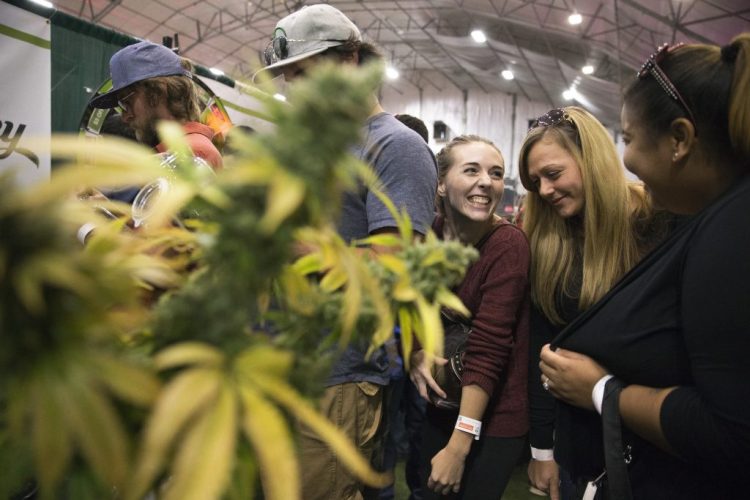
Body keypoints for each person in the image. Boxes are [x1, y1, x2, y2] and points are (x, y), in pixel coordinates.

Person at [537, 34, 750, 499]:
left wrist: (602, 390)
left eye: (629, 139)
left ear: (679, 140)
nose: (629, 162)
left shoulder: (731, 229)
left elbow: (732, 432)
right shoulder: (713, 219)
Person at [256, 5, 438, 499]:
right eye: (288, 77)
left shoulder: (395, 147)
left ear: (352, 59)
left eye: (303, 72)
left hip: (340, 376)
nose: (294, 88)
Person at [518, 106, 667, 500]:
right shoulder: (547, 246)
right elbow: (541, 349)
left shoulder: (655, 226)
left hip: (655, 448)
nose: (545, 190)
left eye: (553, 174)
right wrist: (542, 449)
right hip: (576, 449)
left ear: (592, 160)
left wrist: (604, 386)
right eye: (536, 182)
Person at [409, 135, 530, 499]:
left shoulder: (507, 245)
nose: (486, 182)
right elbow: (412, 305)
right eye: (472, 170)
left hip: (494, 416)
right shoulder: (429, 234)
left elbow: (489, 347)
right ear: (442, 183)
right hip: (442, 401)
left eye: (496, 173)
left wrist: (459, 446)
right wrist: (415, 351)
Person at [90, 40, 223, 171]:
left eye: (126, 103)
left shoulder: (193, 153)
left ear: (156, 93)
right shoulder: (177, 151)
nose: (125, 117)